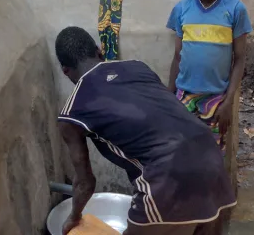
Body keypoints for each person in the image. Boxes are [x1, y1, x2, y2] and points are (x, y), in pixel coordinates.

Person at [55, 26, 236, 235]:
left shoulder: (71, 112)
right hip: (210, 156)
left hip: (167, 175)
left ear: (65, 70)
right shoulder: (137, 67)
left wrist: (74, 217)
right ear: (99, 51)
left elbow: (85, 183)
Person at [167, 0, 253, 148]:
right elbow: (178, 55)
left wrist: (229, 101)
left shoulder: (234, 10)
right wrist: (168, 96)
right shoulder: (182, 9)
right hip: (184, 95)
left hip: (216, 99)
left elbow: (239, 59)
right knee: (181, 150)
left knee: (210, 154)